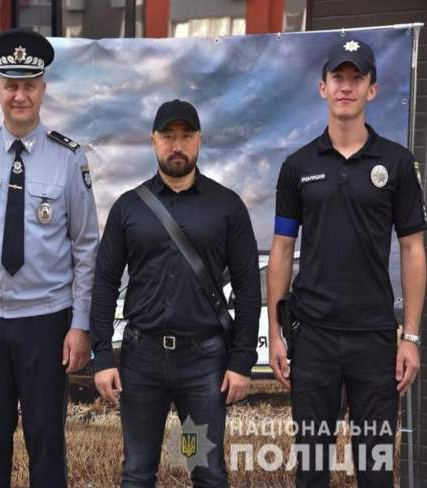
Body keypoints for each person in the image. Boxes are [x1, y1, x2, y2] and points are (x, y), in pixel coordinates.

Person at [0, 28, 99, 488]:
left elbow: (86, 246)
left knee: (46, 439)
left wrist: (80, 324)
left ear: (43, 89)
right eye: (10, 85)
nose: (20, 95)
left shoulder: (70, 159)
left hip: (46, 320)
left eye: (29, 84)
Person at [268, 38, 426, 487]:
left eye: (357, 78)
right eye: (338, 77)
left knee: (376, 473)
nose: (346, 86)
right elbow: (281, 250)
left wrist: (410, 336)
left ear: (372, 90)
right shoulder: (296, 166)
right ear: (322, 88)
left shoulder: (396, 164)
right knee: (311, 472)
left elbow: (413, 248)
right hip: (313, 340)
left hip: (374, 342)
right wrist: (276, 334)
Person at [91, 99, 261, 488]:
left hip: (203, 363)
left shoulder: (227, 206)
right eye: (168, 136)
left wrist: (242, 361)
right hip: (142, 359)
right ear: (153, 141)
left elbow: (249, 286)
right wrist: (102, 355)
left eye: (186, 136)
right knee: (137, 472)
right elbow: (104, 281)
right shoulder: (128, 208)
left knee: (205, 472)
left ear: (199, 140)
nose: (177, 145)